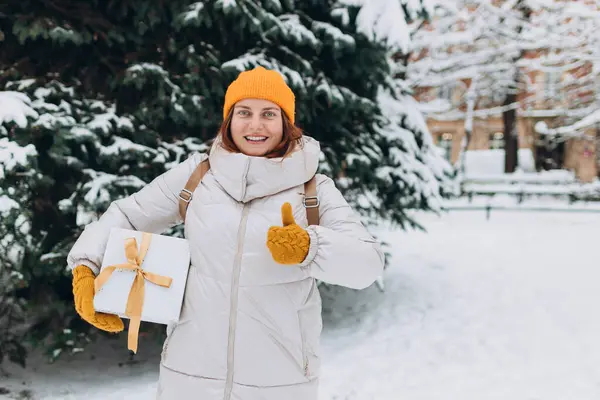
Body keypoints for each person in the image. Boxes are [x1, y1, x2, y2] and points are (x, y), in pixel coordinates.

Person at [67, 66, 385, 399]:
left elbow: (368, 263)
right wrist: (87, 265)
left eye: (269, 114)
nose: (255, 125)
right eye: (244, 112)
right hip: (189, 377)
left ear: (286, 123)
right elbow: (128, 216)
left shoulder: (314, 190)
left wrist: (311, 248)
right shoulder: (198, 175)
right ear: (229, 120)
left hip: (279, 381)